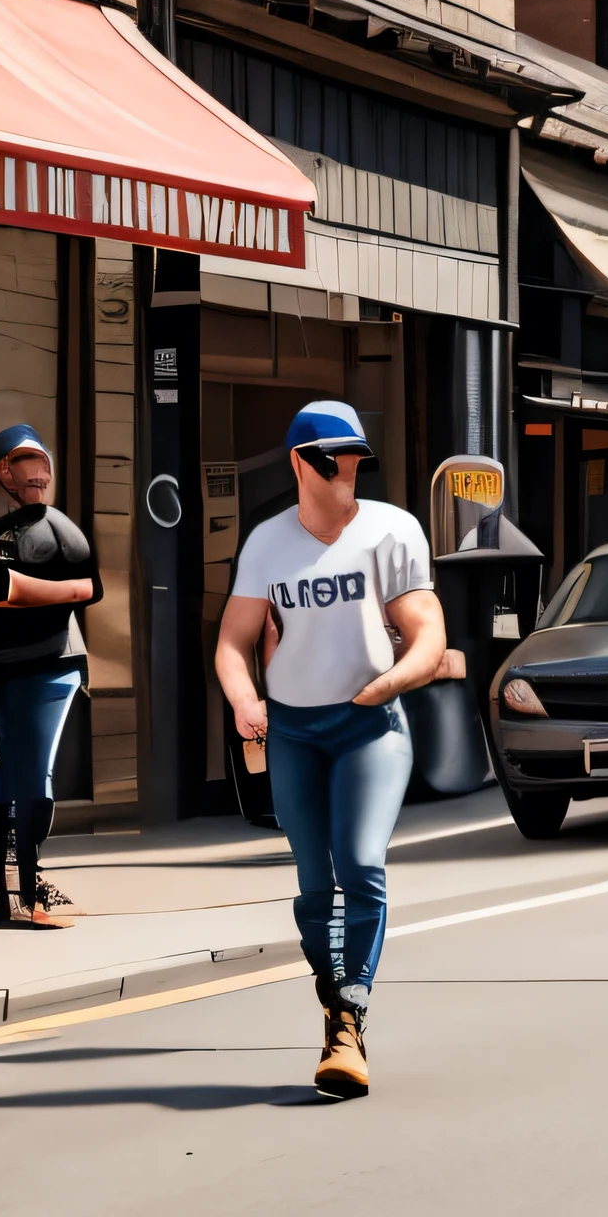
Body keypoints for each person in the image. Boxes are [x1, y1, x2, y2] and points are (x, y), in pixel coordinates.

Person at [213, 401, 452, 1100]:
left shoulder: (392, 529)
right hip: (291, 729)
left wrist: (398, 679)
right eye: (331, 457)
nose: (346, 468)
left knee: (362, 864)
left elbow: (426, 628)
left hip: (367, 725)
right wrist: (244, 699)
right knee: (315, 885)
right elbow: (232, 641)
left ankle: (348, 1016)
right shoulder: (266, 543)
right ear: (299, 463)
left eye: (355, 457)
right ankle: (336, 1005)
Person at [0, 422, 100, 927]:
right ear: (2, 471)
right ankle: (9, 893)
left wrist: (35, 589)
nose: (40, 471)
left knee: (34, 780)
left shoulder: (63, 529)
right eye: (27, 461)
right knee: (3, 782)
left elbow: (93, 587)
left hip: (54, 666)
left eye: (43, 460)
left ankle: (27, 885)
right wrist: (56, 589)